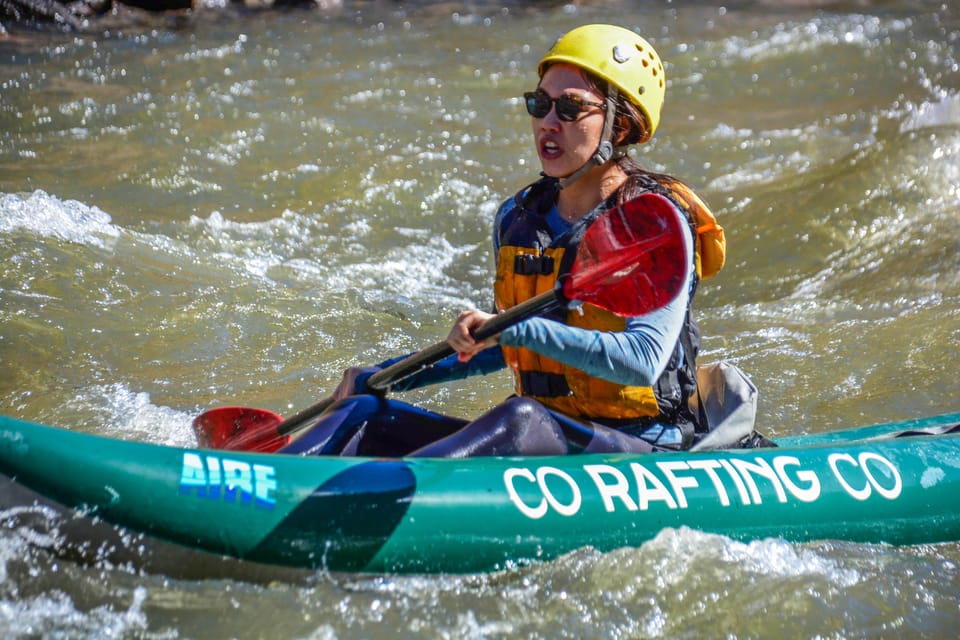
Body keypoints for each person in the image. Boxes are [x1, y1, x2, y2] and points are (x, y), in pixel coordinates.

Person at [280, 24, 725, 458]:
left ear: (621, 127)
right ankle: (267, 477)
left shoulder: (653, 223)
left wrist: (518, 328)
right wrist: (388, 376)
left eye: (569, 109)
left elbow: (642, 360)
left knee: (520, 417)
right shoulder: (520, 218)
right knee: (362, 411)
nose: (548, 123)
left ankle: (369, 501)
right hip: (547, 435)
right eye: (539, 104)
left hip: (640, 446)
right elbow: (503, 345)